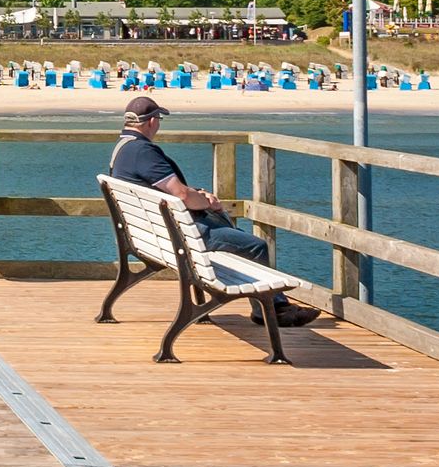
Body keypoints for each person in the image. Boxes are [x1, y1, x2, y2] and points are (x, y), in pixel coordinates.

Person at [108, 95, 320, 329]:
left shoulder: (122, 149)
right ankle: (271, 310)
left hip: (151, 234)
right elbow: (182, 195)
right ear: (151, 121)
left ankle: (272, 305)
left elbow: (169, 190)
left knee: (231, 232)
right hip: (180, 237)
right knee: (255, 246)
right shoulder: (143, 152)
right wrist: (207, 203)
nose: (158, 124)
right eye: (158, 119)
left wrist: (199, 194)